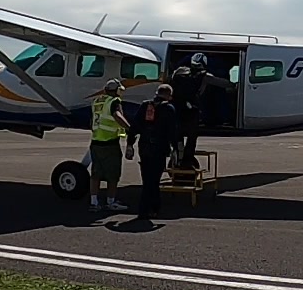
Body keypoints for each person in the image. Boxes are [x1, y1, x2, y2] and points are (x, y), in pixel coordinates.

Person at [126, 82, 180, 218]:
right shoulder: (169, 109)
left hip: (144, 147)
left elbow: (134, 127)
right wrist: (175, 150)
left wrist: (130, 144)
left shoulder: (145, 106)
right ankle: (149, 209)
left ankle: (150, 208)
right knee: (154, 180)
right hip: (159, 149)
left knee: (147, 179)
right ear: (168, 95)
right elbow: (172, 131)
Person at [88, 79, 131, 212]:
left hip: (95, 141)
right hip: (109, 143)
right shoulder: (114, 101)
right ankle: (111, 202)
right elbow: (117, 115)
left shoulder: (97, 101)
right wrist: (130, 128)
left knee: (95, 174)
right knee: (113, 175)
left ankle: (94, 202)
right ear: (117, 90)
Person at [170, 53, 211, 168]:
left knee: (177, 134)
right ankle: (187, 160)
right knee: (192, 136)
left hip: (177, 108)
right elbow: (221, 82)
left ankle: (178, 155)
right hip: (192, 110)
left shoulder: (179, 71)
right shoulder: (204, 76)